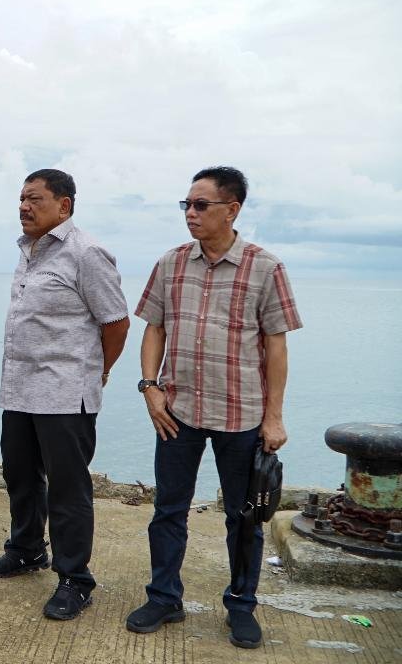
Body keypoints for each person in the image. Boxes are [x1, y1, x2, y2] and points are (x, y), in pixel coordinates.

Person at [125, 166, 301, 649]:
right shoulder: (171, 263)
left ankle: (241, 606)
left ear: (233, 209)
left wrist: (274, 417)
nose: (191, 214)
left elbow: (276, 346)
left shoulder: (266, 267)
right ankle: (164, 597)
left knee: (243, 517)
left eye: (201, 205)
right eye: (186, 205)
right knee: (168, 510)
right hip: (176, 411)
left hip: (240, 415)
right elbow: (154, 327)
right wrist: (149, 386)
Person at [0, 169, 129, 622]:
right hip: (19, 391)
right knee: (21, 477)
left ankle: (75, 580)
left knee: (68, 490)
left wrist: (98, 370)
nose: (24, 207)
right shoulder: (29, 251)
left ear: (64, 205)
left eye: (35, 199)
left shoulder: (86, 254)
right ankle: (27, 550)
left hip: (66, 396)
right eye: (21, 199)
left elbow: (116, 322)